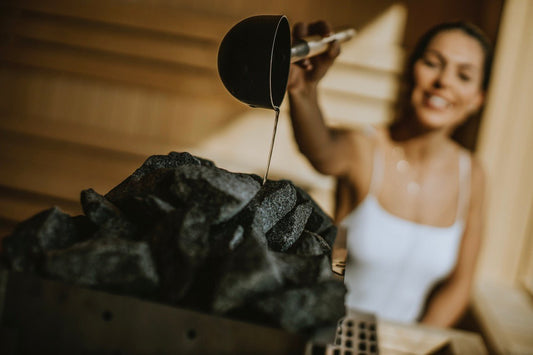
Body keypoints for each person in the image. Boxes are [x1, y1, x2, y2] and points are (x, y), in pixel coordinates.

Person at [287, 21, 492, 327]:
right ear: (412, 71)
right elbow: (320, 149)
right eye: (433, 64)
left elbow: (459, 285)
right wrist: (302, 88)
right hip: (331, 333)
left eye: (463, 75)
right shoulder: (365, 148)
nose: (444, 81)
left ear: (477, 98)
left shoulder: (472, 175)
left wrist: (417, 346)